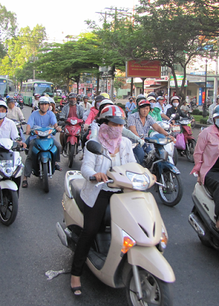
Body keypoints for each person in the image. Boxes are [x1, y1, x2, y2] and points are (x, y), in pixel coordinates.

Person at [70, 105, 136, 296]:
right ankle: (75, 274)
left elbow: (133, 165)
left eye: (120, 124)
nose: (117, 127)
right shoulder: (94, 142)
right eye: (113, 123)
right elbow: (86, 168)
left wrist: (146, 175)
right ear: (104, 124)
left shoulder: (124, 144)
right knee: (89, 230)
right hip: (99, 191)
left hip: (121, 191)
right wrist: (95, 175)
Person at [191, 104, 219, 238]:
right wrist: (198, 173)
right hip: (210, 170)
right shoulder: (206, 133)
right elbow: (198, 153)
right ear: (215, 119)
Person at [22, 96, 62, 188]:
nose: (44, 106)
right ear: (39, 105)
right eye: (42, 104)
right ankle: (25, 177)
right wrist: (28, 130)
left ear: (48, 105)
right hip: (35, 137)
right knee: (30, 155)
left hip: (48, 137)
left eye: (46, 104)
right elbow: (29, 124)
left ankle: (55, 162)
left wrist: (57, 128)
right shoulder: (34, 114)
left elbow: (55, 124)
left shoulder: (51, 114)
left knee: (58, 146)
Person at [128, 100, 173, 164]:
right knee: (141, 155)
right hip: (135, 142)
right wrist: (139, 139)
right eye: (143, 108)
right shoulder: (132, 117)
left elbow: (157, 127)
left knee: (153, 155)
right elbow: (132, 130)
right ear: (139, 109)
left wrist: (167, 135)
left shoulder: (149, 117)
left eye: (147, 108)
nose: (145, 110)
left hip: (146, 142)